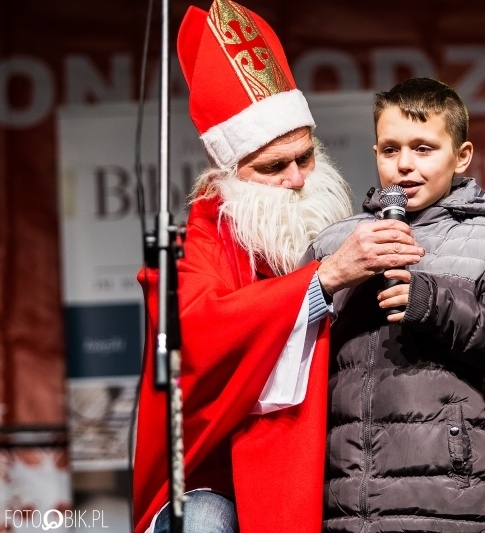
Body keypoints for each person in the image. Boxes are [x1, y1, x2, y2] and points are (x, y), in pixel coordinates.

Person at [131, 1, 426, 532]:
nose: (296, 177)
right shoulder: (205, 237)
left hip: (341, 457)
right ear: (233, 169)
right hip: (221, 474)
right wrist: (324, 278)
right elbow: (196, 333)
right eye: (273, 166)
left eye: (305, 157)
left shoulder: (334, 223)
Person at [303, 77, 485, 533]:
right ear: (375, 152)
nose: (405, 165)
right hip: (340, 505)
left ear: (461, 156)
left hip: (446, 504)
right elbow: (287, 348)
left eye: (423, 149)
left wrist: (433, 303)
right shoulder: (336, 244)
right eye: (390, 149)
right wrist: (337, 273)